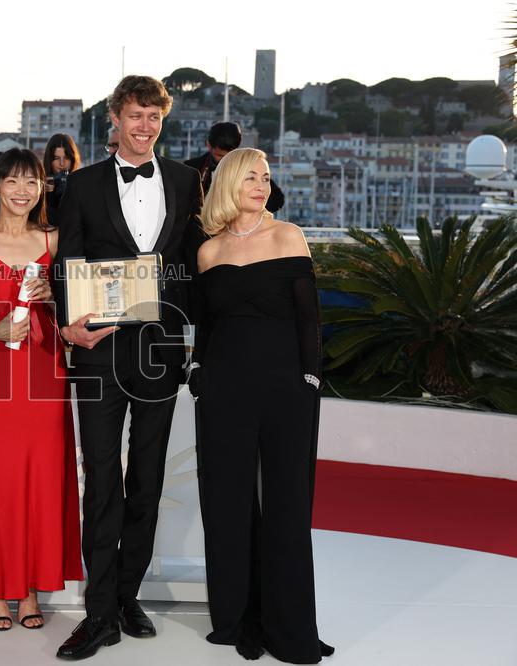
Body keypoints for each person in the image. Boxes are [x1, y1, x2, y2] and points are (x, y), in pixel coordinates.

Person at [52, 75, 204, 661]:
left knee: (147, 479)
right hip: (100, 349)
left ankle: (127, 595)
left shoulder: (188, 181)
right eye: (135, 116)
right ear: (115, 117)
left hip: (161, 347)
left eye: (154, 118)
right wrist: (69, 324)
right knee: (101, 479)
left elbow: (197, 255)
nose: (144, 128)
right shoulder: (83, 184)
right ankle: (98, 614)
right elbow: (68, 260)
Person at [189, 147, 334, 663]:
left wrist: (311, 375)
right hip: (224, 387)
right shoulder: (208, 251)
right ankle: (235, 616)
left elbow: (309, 317)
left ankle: (289, 623)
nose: (262, 184)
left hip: (286, 386)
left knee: (287, 502)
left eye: (267, 177)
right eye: (251, 175)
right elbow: (207, 324)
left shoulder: (288, 236)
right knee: (226, 501)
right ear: (228, 182)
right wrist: (198, 370)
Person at [0, 149, 83, 632]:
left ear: (42, 188)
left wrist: (55, 296)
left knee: (41, 479)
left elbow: (77, 304)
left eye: (31, 182)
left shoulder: (54, 240)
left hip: (45, 374)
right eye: (11, 181)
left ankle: (31, 588)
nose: (21, 190)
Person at [184, 121, 285, 213]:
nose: (225, 161)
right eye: (220, 156)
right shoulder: (191, 168)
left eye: (229, 155)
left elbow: (277, 200)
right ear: (209, 146)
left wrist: (247, 210)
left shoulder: (249, 167)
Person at [43, 133, 81, 224]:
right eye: (56, 158)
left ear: (73, 159)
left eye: (66, 158)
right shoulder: (40, 184)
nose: (62, 164)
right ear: (49, 159)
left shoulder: (80, 184)